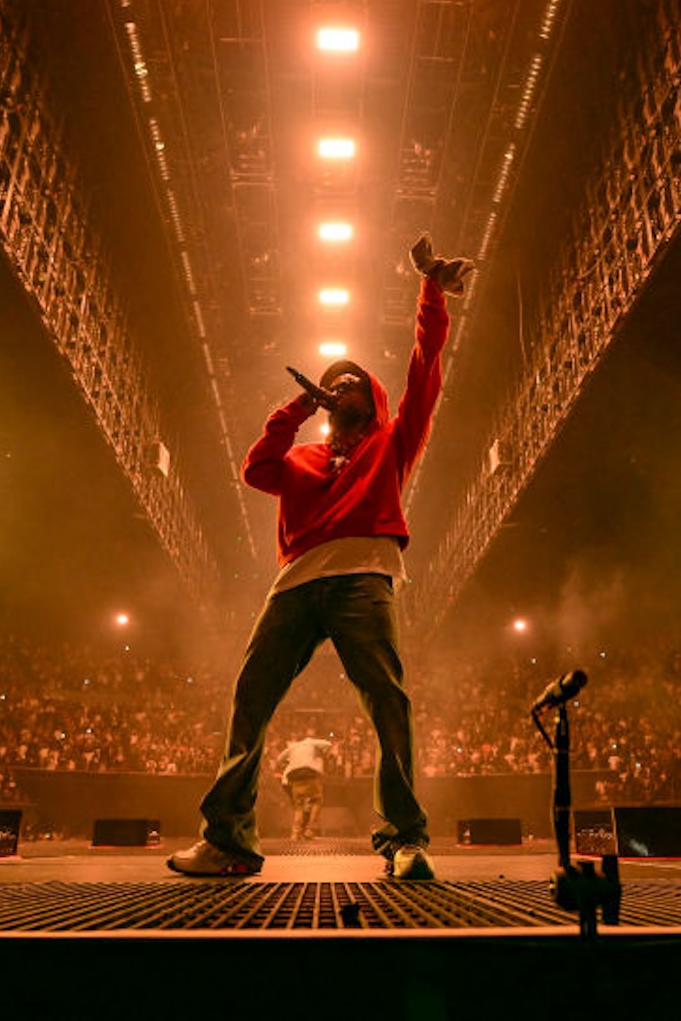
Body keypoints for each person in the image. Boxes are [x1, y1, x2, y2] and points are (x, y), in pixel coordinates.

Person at [169, 235, 471, 880]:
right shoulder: (302, 457)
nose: (342, 385)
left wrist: (431, 293)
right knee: (252, 696)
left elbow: (426, 366)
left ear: (374, 397)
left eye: (353, 379)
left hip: (364, 575)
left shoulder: (392, 443)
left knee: (386, 701)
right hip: (295, 582)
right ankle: (228, 841)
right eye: (332, 382)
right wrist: (296, 407)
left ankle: (406, 839)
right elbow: (256, 469)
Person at [276, 731, 335, 840]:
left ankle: (295, 833)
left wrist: (290, 762)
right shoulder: (310, 742)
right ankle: (310, 829)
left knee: (299, 806)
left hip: (294, 778)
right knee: (317, 800)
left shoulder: (293, 747)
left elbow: (279, 759)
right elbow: (328, 745)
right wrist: (323, 753)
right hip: (309, 774)